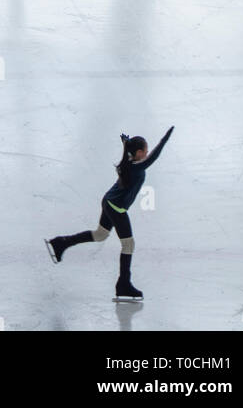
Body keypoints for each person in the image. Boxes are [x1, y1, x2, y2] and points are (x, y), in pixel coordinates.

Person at [45, 126, 175, 300]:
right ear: (138, 152)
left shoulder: (129, 161)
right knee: (129, 245)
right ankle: (123, 284)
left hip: (109, 202)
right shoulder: (136, 166)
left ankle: (61, 243)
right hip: (116, 208)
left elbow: (134, 150)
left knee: (100, 235)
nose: (147, 153)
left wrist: (126, 142)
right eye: (145, 150)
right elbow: (154, 157)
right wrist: (164, 139)